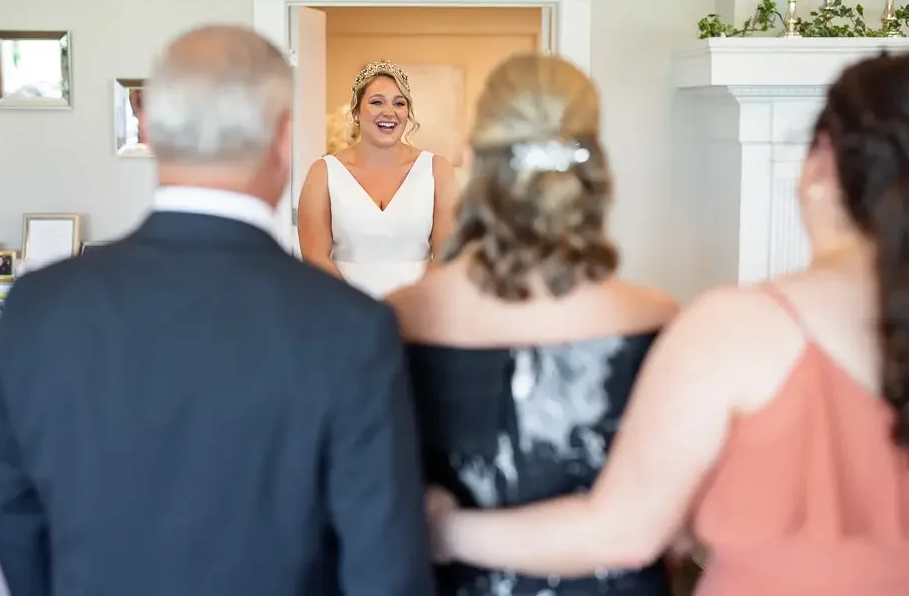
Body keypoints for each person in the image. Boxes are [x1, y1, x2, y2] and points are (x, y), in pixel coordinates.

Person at [425, 52, 909, 595]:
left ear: (821, 162)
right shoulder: (689, 321)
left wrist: (444, 530)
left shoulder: (740, 328)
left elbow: (629, 531)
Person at [0, 25, 435, 596]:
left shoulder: (38, 308)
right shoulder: (352, 329)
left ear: (149, 128)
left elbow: (18, 520)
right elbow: (383, 563)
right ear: (283, 139)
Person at [387, 53, 678, 596]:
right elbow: (676, 531)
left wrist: (443, 530)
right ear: (593, 168)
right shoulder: (660, 320)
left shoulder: (397, 317)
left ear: (472, 162)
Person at [297, 59, 458, 299]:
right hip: (345, 309)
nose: (389, 112)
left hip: (418, 310)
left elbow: (447, 255)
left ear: (407, 113)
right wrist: (359, 309)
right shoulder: (323, 173)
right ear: (356, 112)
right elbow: (315, 257)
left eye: (399, 103)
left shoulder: (438, 170)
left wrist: (412, 306)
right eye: (376, 102)